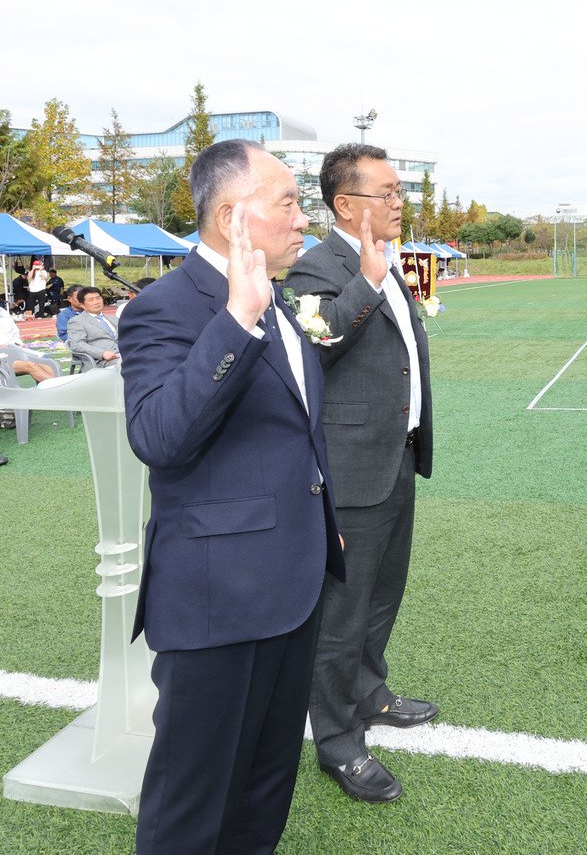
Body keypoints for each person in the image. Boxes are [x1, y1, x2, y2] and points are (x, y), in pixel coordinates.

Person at [118, 139, 345, 854]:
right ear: (230, 215)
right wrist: (236, 320)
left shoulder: (280, 301)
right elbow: (158, 436)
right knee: (191, 807)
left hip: (293, 583)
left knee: (263, 785)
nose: (302, 217)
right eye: (287, 201)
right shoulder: (167, 308)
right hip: (218, 600)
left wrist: (323, 517)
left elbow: (293, 429)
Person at [284, 142, 437, 804]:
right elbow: (319, 344)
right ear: (346, 203)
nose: (400, 202)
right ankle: (339, 744)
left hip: (395, 457)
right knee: (342, 616)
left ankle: (370, 693)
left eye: (400, 191)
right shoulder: (315, 266)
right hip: (350, 470)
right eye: (387, 192)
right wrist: (370, 284)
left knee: (381, 596)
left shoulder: (386, 260)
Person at [66, 286, 121, 369]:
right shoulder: (77, 321)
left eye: (98, 298)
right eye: (91, 300)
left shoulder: (113, 319)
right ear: (82, 305)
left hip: (124, 354)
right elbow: (76, 344)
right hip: (101, 361)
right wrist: (102, 353)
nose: (96, 302)